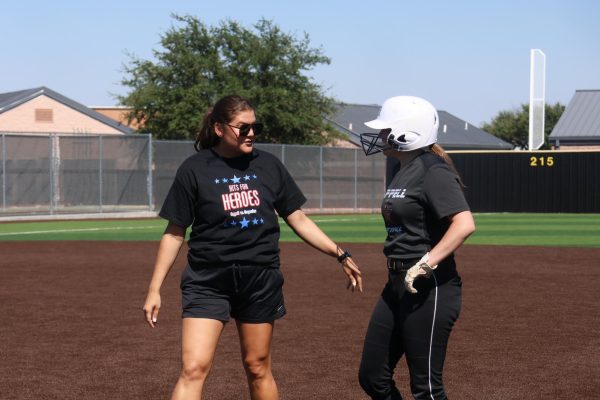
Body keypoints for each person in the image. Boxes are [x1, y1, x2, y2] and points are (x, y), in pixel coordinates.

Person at [142, 94, 362, 400]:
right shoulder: (194, 169)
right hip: (208, 280)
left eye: (255, 126)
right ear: (219, 129)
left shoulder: (268, 165)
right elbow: (174, 233)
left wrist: (339, 253)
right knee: (193, 368)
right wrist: (155, 288)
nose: (251, 133)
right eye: (242, 127)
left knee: (257, 367)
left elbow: (297, 218)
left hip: (259, 279)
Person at [357, 96, 475, 400]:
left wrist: (425, 263)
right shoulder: (402, 169)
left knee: (427, 390)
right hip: (396, 284)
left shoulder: (432, 169)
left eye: (386, 130)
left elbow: (463, 224)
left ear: (407, 133)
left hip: (430, 286)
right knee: (373, 377)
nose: (379, 136)